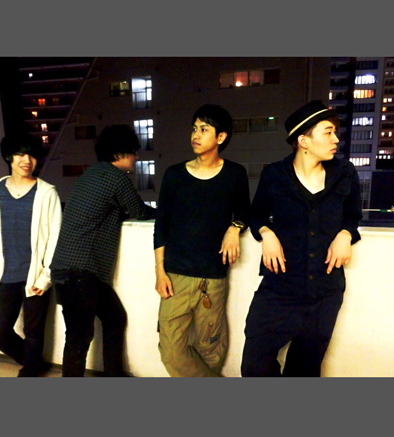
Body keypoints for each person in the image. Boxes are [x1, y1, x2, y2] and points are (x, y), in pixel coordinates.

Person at [241, 100, 363, 377]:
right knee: (254, 364)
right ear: (303, 141)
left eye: (335, 132)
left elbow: (353, 216)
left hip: (324, 291)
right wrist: (266, 233)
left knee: (305, 371)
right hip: (280, 287)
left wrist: (346, 234)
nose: (336, 139)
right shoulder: (275, 174)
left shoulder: (345, 173)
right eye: (328, 132)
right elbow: (256, 215)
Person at [50, 124, 156, 377]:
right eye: (133, 152)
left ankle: (114, 375)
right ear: (119, 153)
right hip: (80, 273)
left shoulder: (91, 174)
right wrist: (168, 213)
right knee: (78, 339)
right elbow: (139, 211)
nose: (136, 157)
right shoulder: (116, 177)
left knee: (114, 318)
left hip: (70, 270)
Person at [154, 104, 250, 377]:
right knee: (170, 350)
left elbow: (245, 212)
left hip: (213, 277)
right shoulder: (174, 175)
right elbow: (161, 225)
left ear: (221, 137)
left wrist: (234, 229)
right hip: (176, 275)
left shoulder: (234, 174)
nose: (195, 135)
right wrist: (160, 271)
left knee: (210, 347)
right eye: (194, 128)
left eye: (204, 129)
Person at [0, 134, 62, 377]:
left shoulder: (47, 193)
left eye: (32, 155)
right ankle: (34, 362)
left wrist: (46, 277)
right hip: (5, 274)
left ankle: (30, 370)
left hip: (35, 275)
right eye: (20, 154)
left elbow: (55, 238)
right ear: (9, 157)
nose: (27, 160)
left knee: (34, 331)